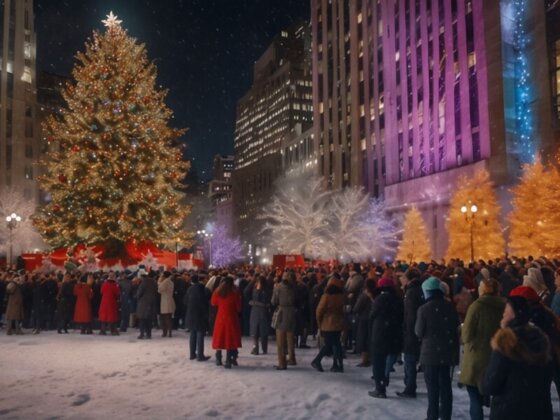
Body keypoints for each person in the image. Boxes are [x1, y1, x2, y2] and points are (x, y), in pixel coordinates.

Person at [483, 293, 553, 420]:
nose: (503, 314)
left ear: (513, 314)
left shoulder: (506, 342)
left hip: (509, 411)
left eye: (506, 310)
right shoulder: (540, 340)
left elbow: (491, 385)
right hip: (539, 411)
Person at [415, 277, 460, 420]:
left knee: (432, 388)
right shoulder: (450, 306)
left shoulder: (423, 309)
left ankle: (432, 416)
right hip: (447, 352)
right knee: (445, 386)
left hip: (430, 354)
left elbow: (418, 331)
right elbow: (456, 327)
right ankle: (446, 415)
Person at [460, 278, 505, 420]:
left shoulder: (476, 306)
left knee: (474, 395)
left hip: (476, 357)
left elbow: (466, 335)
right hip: (497, 355)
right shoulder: (504, 306)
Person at [368, 277, 404, 398]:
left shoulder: (379, 299)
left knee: (378, 362)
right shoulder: (397, 299)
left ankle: (380, 388)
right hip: (393, 333)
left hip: (380, 334)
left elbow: (372, 315)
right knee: (388, 358)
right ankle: (384, 380)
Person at [397, 268, 424, 398]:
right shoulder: (418, 289)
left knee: (410, 359)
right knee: (410, 359)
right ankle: (409, 384)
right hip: (415, 330)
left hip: (411, 332)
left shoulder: (411, 292)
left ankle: (410, 386)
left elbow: (410, 314)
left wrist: (408, 329)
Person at [311, 275, 346, 372]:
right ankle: (338, 365)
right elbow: (343, 311)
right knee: (337, 344)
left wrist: (319, 323)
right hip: (338, 324)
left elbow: (319, 311)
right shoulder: (341, 297)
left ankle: (317, 360)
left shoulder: (326, 296)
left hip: (327, 324)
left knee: (328, 344)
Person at [211, 276, 242, 369]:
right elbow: (239, 308)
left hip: (220, 317)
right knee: (230, 339)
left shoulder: (217, 292)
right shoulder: (234, 293)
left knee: (219, 338)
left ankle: (218, 358)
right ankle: (229, 360)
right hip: (231, 318)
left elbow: (213, 303)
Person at [271, 271, 298, 370]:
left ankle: (282, 363)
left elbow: (273, 301)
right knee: (290, 339)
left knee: (280, 341)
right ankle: (292, 358)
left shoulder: (278, 287)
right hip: (291, 313)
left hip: (282, 314)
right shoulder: (294, 287)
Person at [184, 274, 211, 361]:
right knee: (200, 334)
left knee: (193, 333)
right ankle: (200, 355)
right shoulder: (204, 289)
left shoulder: (189, 289)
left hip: (191, 314)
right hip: (201, 314)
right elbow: (208, 300)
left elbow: (185, 301)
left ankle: (192, 354)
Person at [245, 275, 272, 355]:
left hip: (262, 312)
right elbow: (245, 291)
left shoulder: (266, 290)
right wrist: (252, 282)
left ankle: (264, 348)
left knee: (263, 331)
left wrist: (254, 302)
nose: (256, 283)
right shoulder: (254, 288)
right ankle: (255, 348)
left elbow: (266, 302)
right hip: (256, 312)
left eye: (258, 281)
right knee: (254, 331)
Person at [353, 277, 376, 368]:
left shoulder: (364, 295)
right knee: (370, 338)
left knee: (363, 339)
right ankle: (370, 357)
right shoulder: (375, 293)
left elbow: (357, 308)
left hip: (364, 319)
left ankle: (365, 360)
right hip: (373, 319)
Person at [136, 271, 158, 339]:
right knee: (149, 319)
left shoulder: (143, 283)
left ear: (142, 277)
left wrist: (137, 297)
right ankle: (149, 334)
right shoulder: (154, 282)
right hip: (152, 302)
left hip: (144, 303)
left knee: (142, 319)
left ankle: (142, 334)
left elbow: (139, 293)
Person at [158, 272, 176, 338]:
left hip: (165, 301)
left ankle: (165, 332)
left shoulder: (165, 281)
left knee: (165, 318)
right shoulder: (171, 282)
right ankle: (170, 332)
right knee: (169, 318)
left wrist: (159, 282)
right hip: (170, 300)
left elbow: (160, 290)